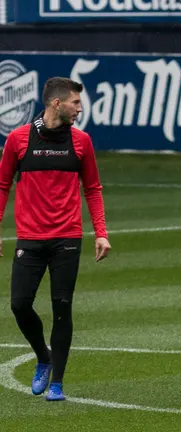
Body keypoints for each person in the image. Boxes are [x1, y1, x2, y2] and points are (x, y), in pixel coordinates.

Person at [0, 77, 111, 401]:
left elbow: (92, 188)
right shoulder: (19, 140)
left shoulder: (82, 142)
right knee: (20, 305)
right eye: (76, 102)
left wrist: (101, 233)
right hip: (30, 239)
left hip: (67, 238)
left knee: (62, 307)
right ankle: (44, 358)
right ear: (56, 103)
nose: (80, 108)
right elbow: (3, 184)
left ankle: (58, 384)